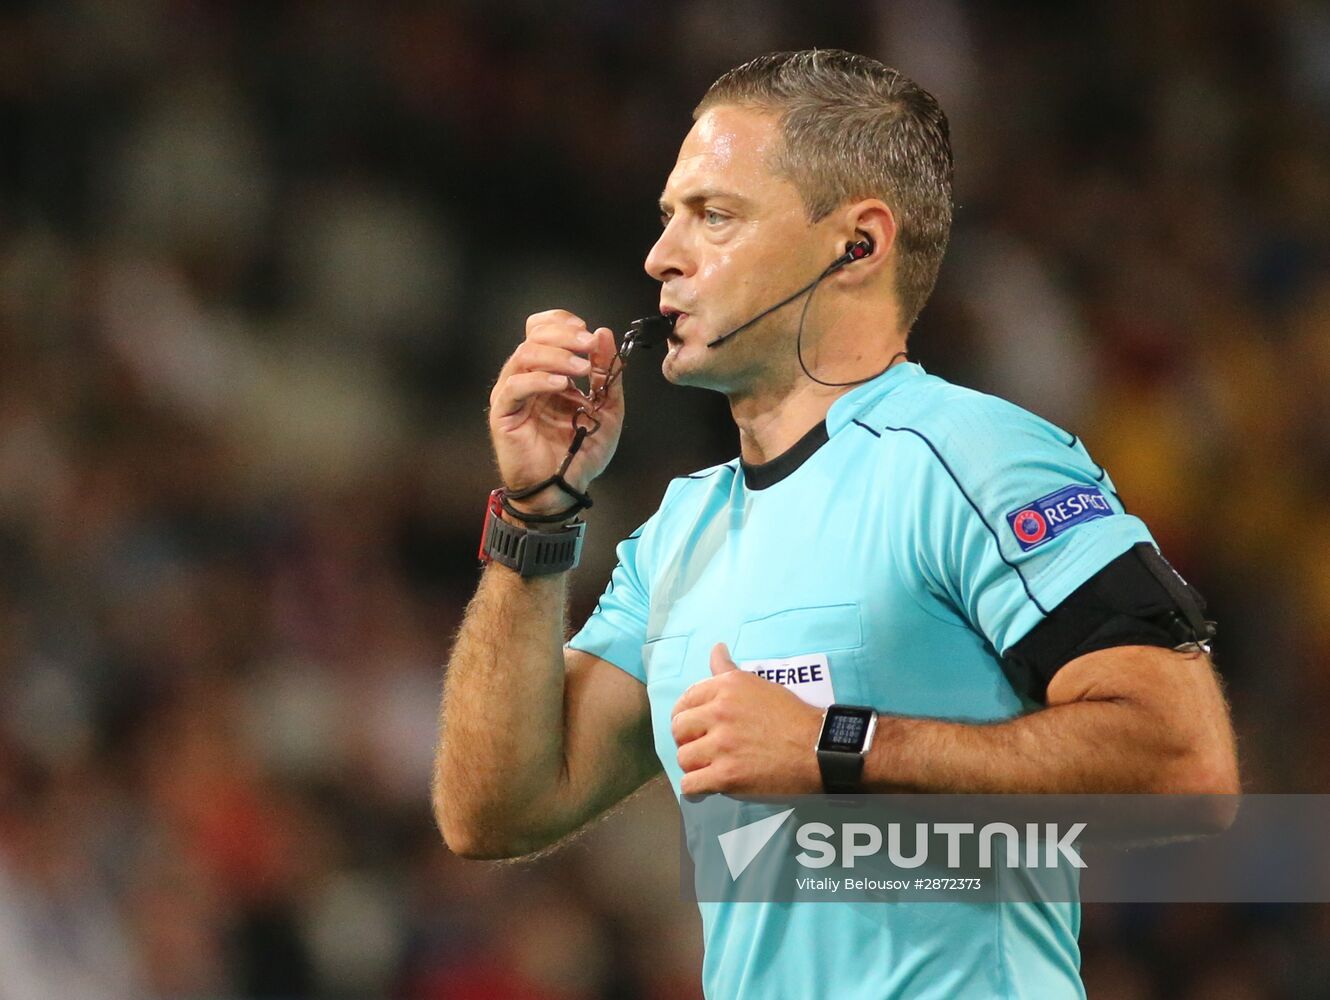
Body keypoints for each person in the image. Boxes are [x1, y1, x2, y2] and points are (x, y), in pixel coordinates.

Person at [433, 49, 1239, 999]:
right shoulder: (682, 532)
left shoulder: (975, 457)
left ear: (856, 246)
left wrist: (834, 746)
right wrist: (539, 513)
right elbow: (492, 811)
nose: (661, 257)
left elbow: (1185, 763)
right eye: (668, 218)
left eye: (714, 216)